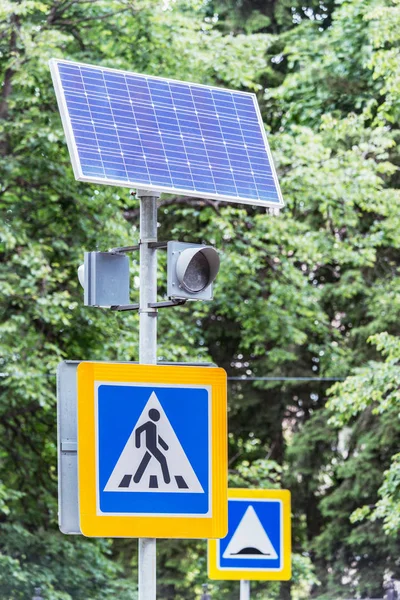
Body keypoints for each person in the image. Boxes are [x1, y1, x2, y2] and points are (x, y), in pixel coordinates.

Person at [133, 408, 170, 484]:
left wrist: (164, 446)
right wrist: (138, 444)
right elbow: (138, 431)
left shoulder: (153, 425)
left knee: (145, 462)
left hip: (151, 447)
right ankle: (167, 480)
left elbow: (156, 437)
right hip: (151, 447)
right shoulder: (148, 424)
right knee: (163, 460)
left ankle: (136, 479)